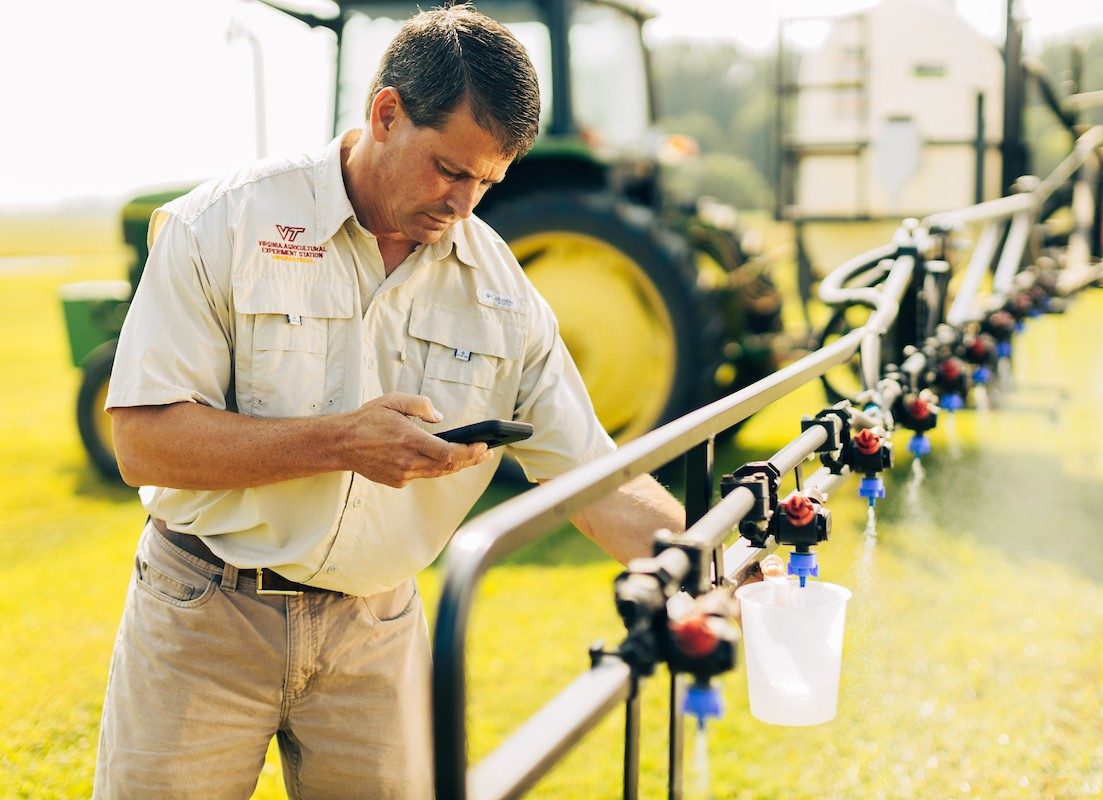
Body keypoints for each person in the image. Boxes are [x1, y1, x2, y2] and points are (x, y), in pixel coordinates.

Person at [93, 5, 685, 798]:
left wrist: (712, 565)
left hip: (377, 632)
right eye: (450, 169)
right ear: (385, 113)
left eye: (487, 181)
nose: (466, 204)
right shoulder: (223, 224)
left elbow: (593, 478)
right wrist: (339, 443)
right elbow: (143, 444)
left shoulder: (501, 289)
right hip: (206, 613)